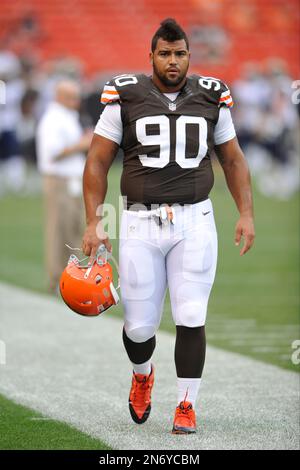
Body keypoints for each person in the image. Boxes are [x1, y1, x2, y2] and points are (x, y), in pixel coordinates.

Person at [82, 18, 255, 434]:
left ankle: (186, 404)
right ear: (151, 56)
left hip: (195, 220)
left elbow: (232, 159)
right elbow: (97, 161)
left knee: (191, 316)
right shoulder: (124, 95)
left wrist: (246, 212)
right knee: (139, 326)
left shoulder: (212, 96)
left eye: (179, 54)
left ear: (189, 56)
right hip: (140, 220)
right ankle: (143, 374)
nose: (172, 61)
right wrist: (93, 220)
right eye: (165, 53)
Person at [36, 80, 92, 293]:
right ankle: (57, 279)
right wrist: (83, 143)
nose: (76, 102)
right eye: (71, 97)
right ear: (59, 96)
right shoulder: (53, 119)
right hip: (58, 179)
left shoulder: (66, 117)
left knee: (73, 229)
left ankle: (70, 278)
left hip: (71, 180)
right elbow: (53, 152)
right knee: (60, 231)